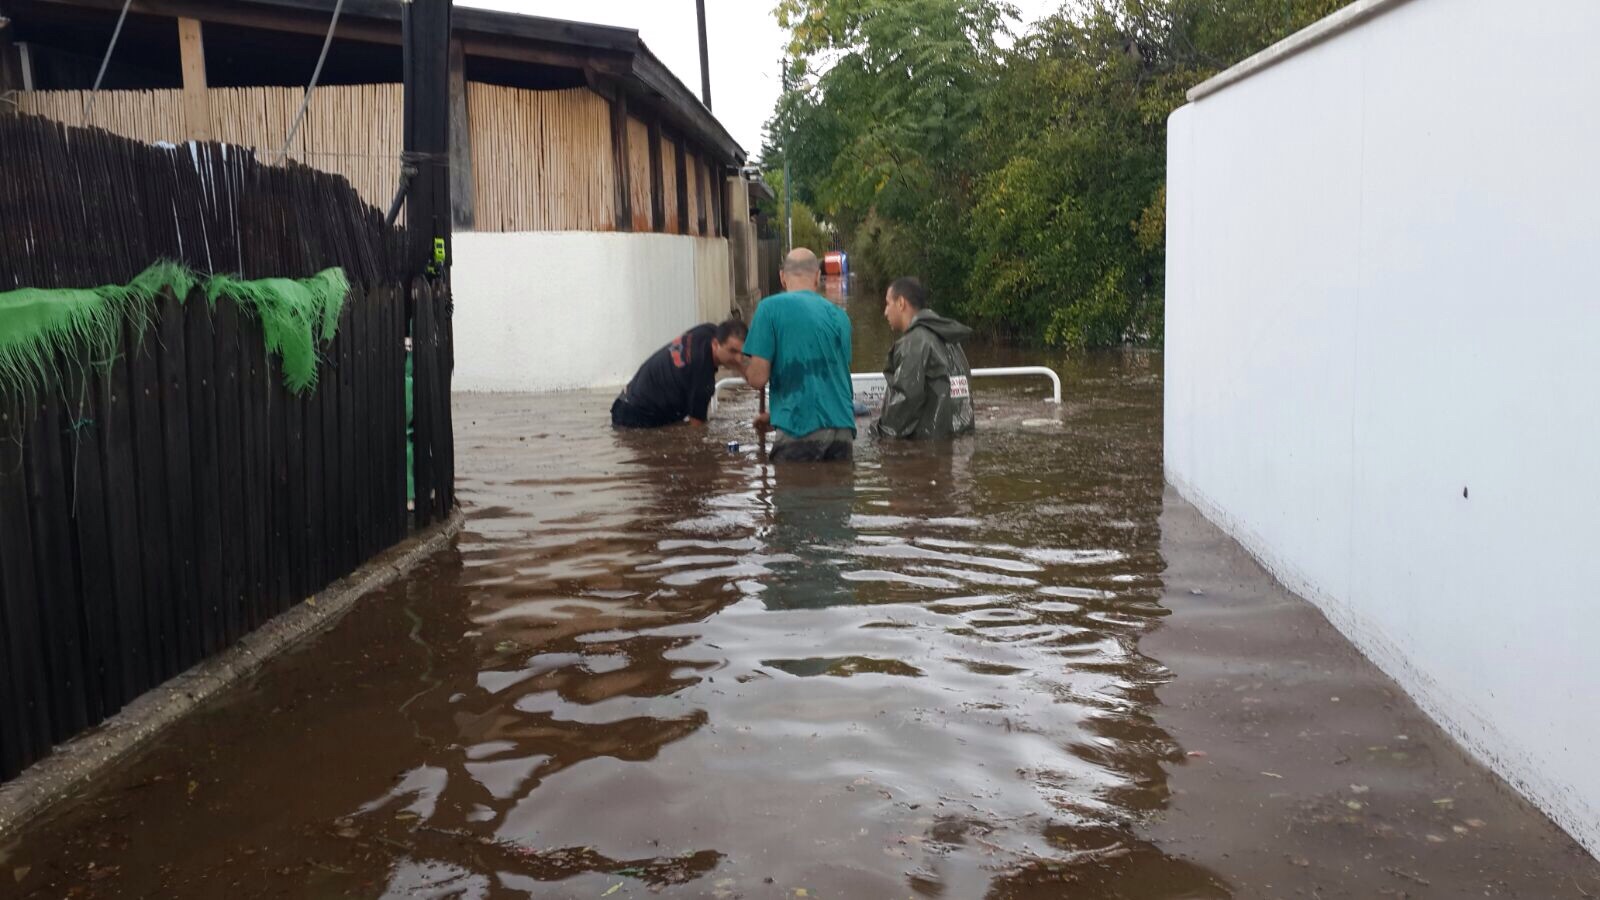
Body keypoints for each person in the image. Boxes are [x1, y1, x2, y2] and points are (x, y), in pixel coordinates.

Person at [742, 248, 856, 461]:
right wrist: (775, 417)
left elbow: (757, 379)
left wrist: (737, 362)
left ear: (782, 277)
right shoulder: (840, 316)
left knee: (792, 490)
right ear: (817, 277)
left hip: (798, 429)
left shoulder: (769, 308)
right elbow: (834, 381)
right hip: (842, 430)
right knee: (839, 493)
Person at [871, 276, 975, 440]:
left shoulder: (914, 343)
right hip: (960, 439)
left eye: (887, 303)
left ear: (901, 303)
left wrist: (878, 433)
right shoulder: (951, 340)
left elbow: (905, 402)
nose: (885, 312)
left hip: (929, 446)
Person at [610, 319, 748, 428]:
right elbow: (696, 431)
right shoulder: (702, 379)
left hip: (625, 401)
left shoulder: (708, 330)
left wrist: (742, 367)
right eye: (733, 351)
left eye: (743, 352)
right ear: (715, 344)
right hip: (635, 418)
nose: (739, 358)